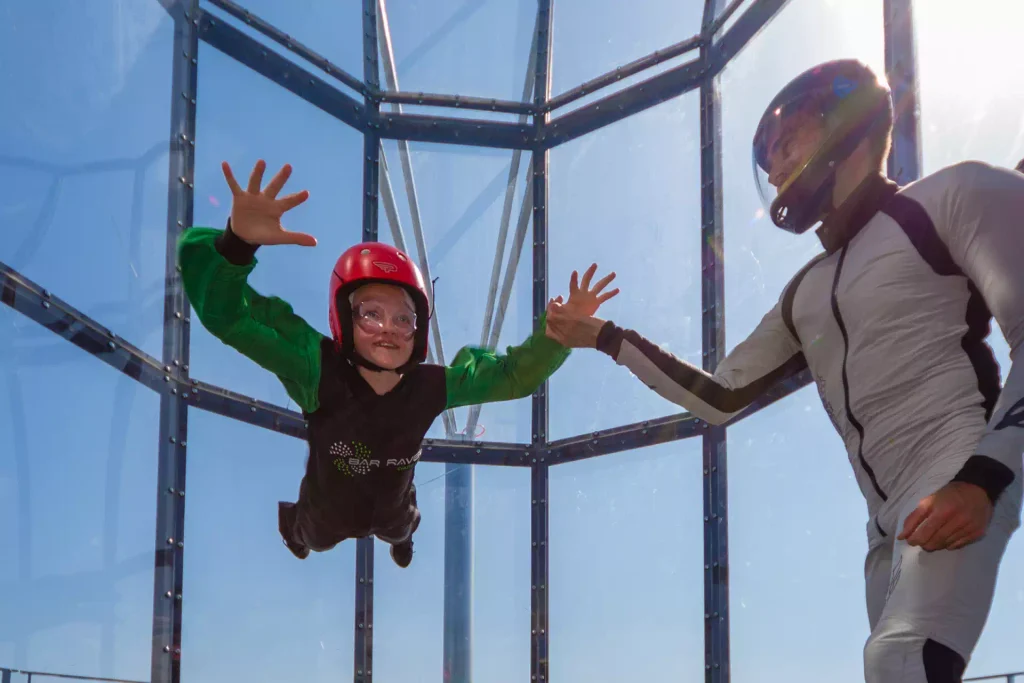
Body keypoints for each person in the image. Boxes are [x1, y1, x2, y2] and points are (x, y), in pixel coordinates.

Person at [545, 59, 1024, 682]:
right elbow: (717, 397)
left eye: (785, 144)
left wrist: (983, 478)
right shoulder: (804, 292)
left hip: (961, 473)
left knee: (897, 660)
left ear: (846, 124)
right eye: (767, 157)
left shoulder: (950, 197)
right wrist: (605, 337)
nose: (773, 170)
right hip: (885, 527)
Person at [177, 159, 618, 568]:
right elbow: (231, 320)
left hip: (393, 507)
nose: (388, 328)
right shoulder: (314, 366)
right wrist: (235, 245)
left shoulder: (431, 386)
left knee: (403, 521)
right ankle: (294, 530)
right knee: (311, 536)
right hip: (325, 513)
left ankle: (402, 537)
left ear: (419, 330)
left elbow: (512, 378)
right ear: (342, 319)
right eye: (370, 313)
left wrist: (554, 339)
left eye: (404, 318)